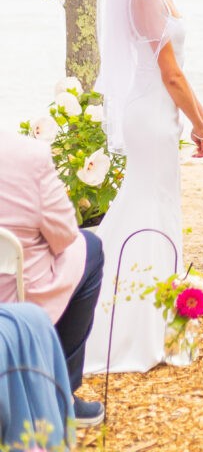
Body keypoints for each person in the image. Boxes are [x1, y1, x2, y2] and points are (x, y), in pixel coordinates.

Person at [84, 0, 203, 373]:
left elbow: (177, 75)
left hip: (162, 115)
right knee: (146, 210)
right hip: (151, 116)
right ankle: (126, 328)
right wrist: (200, 124)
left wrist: (201, 120)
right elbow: (170, 75)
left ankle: (161, 324)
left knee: (161, 209)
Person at [0, 131, 105, 427]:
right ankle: (60, 396)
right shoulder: (27, 156)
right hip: (18, 299)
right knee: (91, 248)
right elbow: (65, 234)